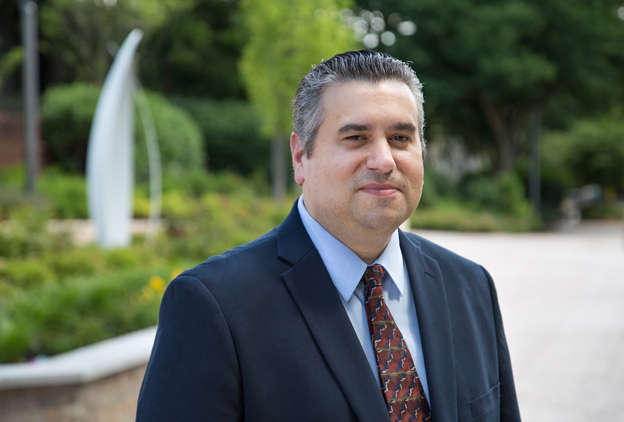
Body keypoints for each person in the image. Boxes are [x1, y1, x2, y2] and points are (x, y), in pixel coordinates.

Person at [136, 50, 521, 422]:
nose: (384, 160)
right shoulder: (215, 306)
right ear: (300, 157)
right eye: (356, 138)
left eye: (400, 138)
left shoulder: (471, 287)